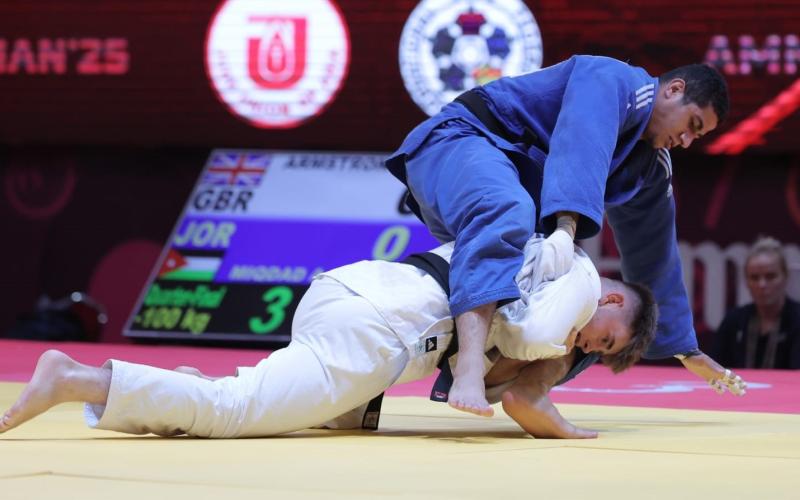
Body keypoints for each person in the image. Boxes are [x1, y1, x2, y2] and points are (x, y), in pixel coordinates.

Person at [0, 235, 657, 439]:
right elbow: (521, 389)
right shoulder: (573, 279)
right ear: (610, 298)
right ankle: (76, 379)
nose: (584, 349)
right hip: (380, 328)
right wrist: (574, 429)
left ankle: (173, 391)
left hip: (353, 292)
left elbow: (504, 369)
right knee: (234, 413)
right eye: (602, 341)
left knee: (312, 414)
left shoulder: (535, 257)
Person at [386, 54, 746, 415]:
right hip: (460, 141)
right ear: (674, 90)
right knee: (510, 209)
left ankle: (519, 389)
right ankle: (469, 366)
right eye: (691, 124)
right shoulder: (613, 78)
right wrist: (565, 228)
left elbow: (655, 252)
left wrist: (684, 348)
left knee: (564, 302)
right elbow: (582, 143)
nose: (686, 141)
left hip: (508, 197)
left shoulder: (651, 166)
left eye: (697, 136)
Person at [713, 237, 800, 369]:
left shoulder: (797, 319)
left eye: (770, 276)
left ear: (785, 276)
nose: (762, 285)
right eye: (754, 278)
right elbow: (713, 369)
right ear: (746, 281)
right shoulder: (733, 321)